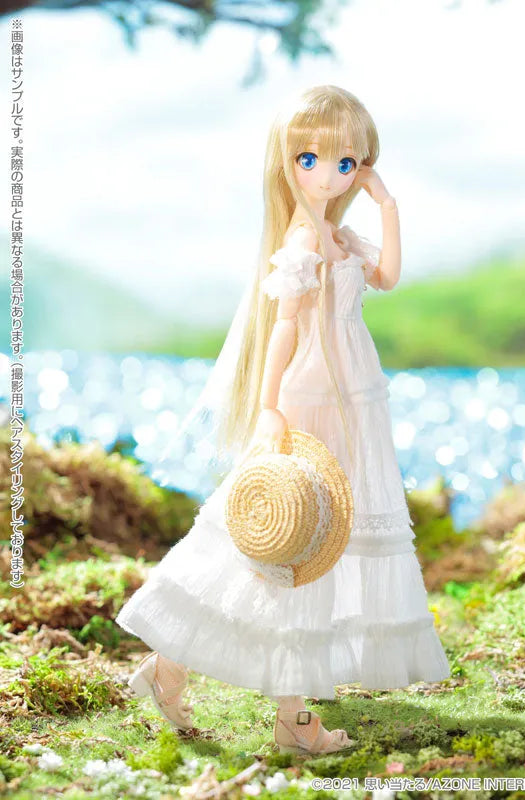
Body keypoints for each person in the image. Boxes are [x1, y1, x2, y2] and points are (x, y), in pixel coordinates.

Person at [115, 84, 450, 755]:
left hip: (352, 395)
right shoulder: (302, 236)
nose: (327, 175)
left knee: (295, 543)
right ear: (287, 162)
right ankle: (291, 718)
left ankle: (171, 669)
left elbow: (386, 276)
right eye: (310, 159)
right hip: (313, 396)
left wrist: (387, 204)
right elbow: (283, 329)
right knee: (294, 543)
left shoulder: (335, 234)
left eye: (345, 163)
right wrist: (269, 405)